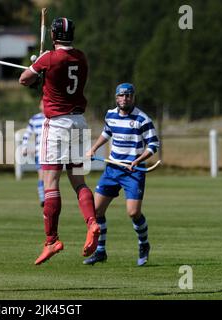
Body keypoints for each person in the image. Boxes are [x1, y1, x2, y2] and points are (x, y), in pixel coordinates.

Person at [19, 17, 100, 265]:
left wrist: (38, 67)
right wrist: (44, 72)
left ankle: (52, 240)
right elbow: (61, 80)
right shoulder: (81, 57)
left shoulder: (49, 58)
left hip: (56, 124)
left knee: (50, 182)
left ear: (53, 35)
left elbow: (23, 79)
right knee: (78, 181)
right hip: (79, 122)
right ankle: (92, 222)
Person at [84, 83, 160, 266]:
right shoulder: (110, 114)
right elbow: (107, 132)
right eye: (121, 95)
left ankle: (143, 244)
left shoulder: (142, 119)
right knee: (97, 210)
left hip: (133, 172)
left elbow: (153, 145)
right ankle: (101, 251)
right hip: (112, 169)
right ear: (116, 97)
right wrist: (94, 148)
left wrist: (137, 160)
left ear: (133, 97)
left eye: (128, 95)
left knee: (133, 213)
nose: (125, 98)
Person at [21, 100, 45, 207]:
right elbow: (27, 134)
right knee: (42, 176)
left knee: (50, 178)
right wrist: (24, 147)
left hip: (52, 153)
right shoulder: (35, 119)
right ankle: (43, 199)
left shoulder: (54, 118)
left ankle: (47, 199)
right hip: (40, 154)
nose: (43, 105)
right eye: (42, 103)